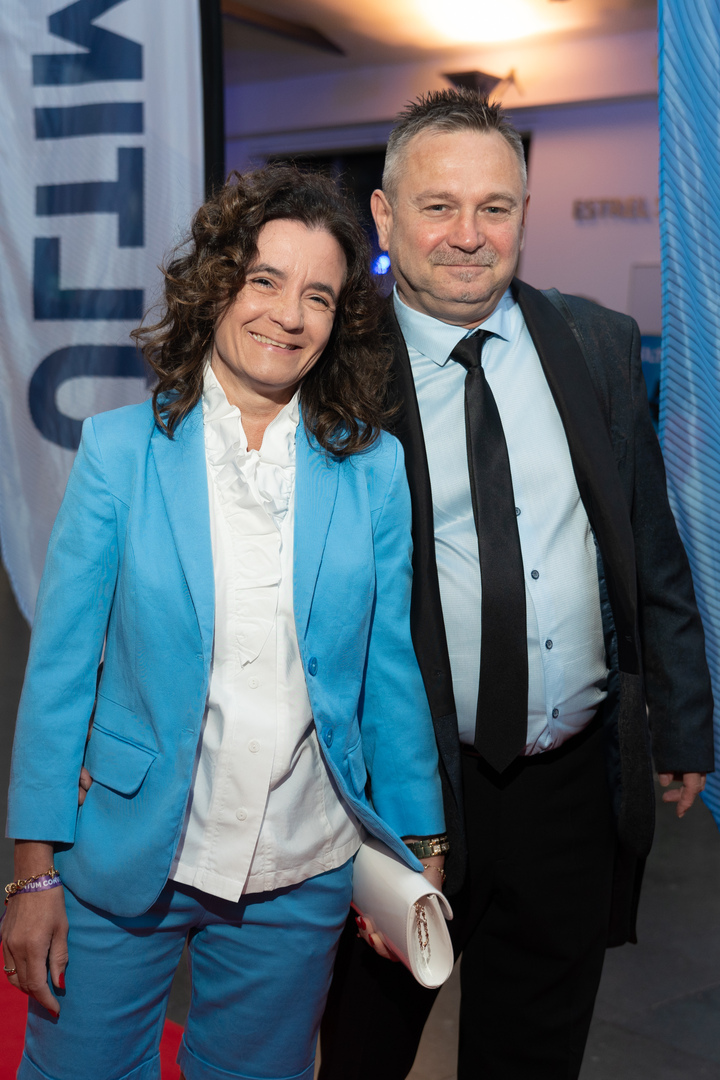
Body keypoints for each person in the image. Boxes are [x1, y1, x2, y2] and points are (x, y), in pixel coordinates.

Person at [1, 165, 446, 1080]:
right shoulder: (118, 453)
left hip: (300, 867)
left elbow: (388, 673)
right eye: (265, 280)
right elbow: (60, 676)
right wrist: (34, 869)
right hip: (125, 854)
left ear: (339, 321)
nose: (289, 315)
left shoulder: (373, 470)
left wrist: (421, 845)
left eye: (318, 296)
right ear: (217, 286)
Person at [319, 90, 714, 1080]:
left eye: (494, 207)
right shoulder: (333, 371)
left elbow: (648, 546)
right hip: (399, 796)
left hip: (570, 789)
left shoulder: (597, 344)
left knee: (534, 1052)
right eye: (439, 206)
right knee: (366, 1045)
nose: (469, 235)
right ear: (384, 216)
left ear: (525, 214)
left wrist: (682, 723)